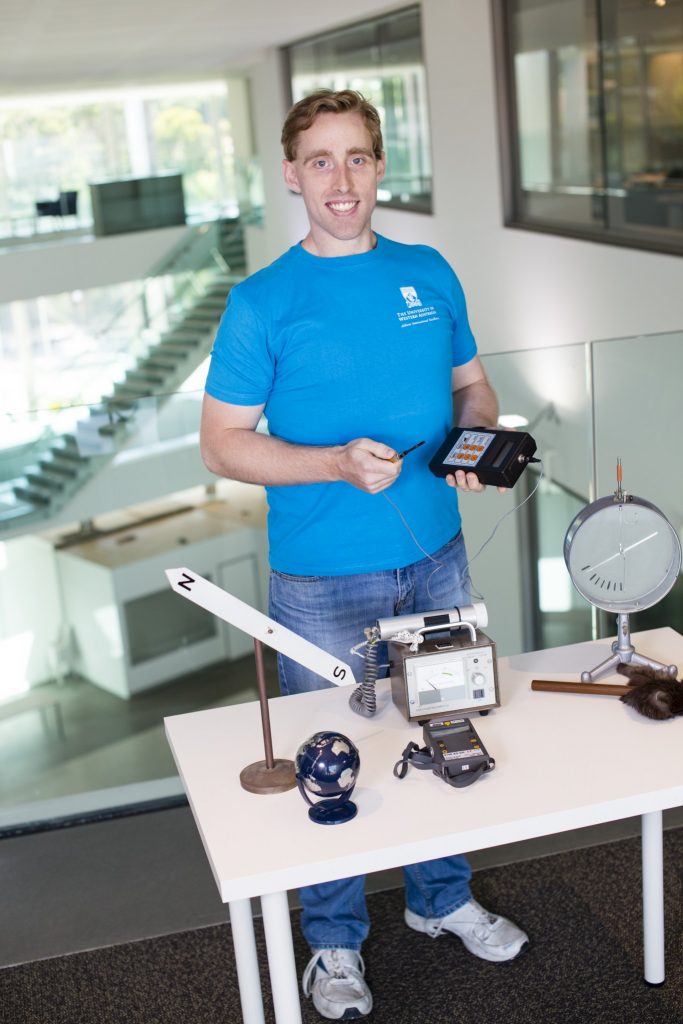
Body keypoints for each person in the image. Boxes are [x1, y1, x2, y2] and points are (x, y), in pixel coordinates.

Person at [200, 89, 528, 1021]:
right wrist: (334, 464)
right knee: (326, 757)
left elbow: (473, 387)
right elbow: (223, 443)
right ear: (292, 173)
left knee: (446, 727)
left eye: (357, 159)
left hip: (436, 558)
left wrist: (475, 438)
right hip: (317, 582)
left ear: (381, 168)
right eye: (320, 161)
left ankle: (441, 899)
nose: (341, 181)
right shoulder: (262, 300)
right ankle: (334, 946)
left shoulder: (428, 270)